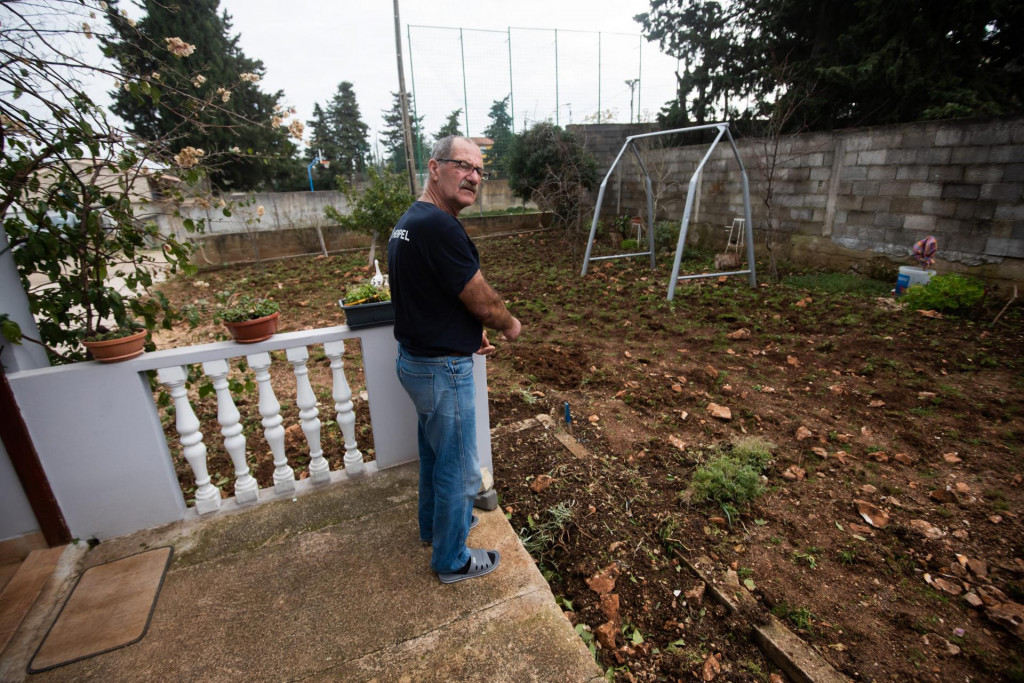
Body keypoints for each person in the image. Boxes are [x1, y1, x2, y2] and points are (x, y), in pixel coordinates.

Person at [387, 135, 522, 584]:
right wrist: (506, 323)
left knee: (434, 456)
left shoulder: (411, 220)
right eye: (463, 165)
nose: (473, 177)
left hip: (415, 361)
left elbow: (429, 294)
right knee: (459, 470)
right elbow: (482, 300)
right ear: (434, 167)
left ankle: (435, 530)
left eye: (479, 170)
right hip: (442, 369)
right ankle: (452, 560)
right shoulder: (441, 226)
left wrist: (466, 330)